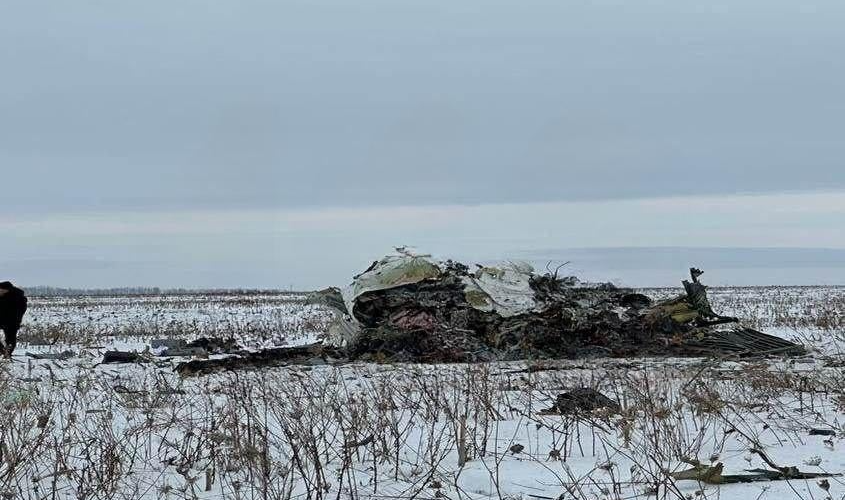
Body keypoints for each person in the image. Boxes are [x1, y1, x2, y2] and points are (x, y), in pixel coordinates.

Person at [0, 282, 27, 358]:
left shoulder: (18, 297)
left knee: (10, 338)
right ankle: (2, 351)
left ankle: (8, 353)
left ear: (7, 290)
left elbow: (22, 310)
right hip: (1, 319)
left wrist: (16, 320)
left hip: (12, 321)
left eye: (1, 290)